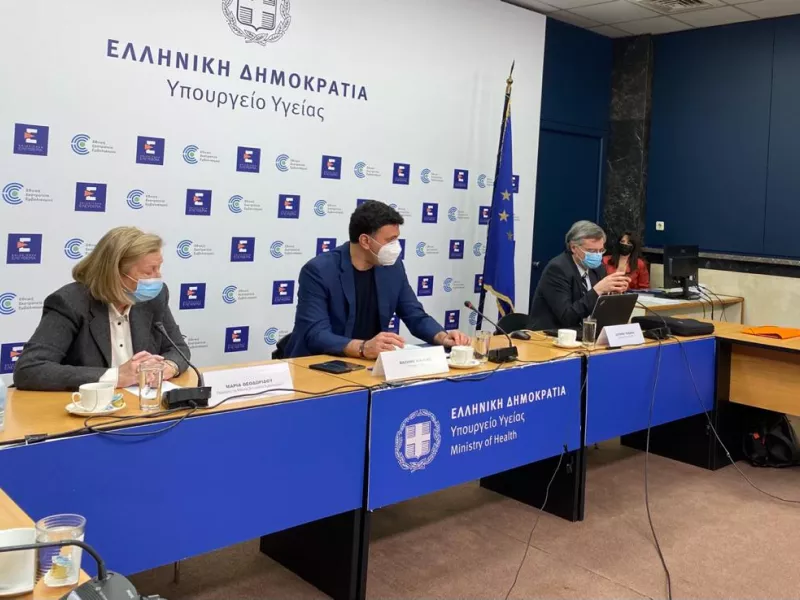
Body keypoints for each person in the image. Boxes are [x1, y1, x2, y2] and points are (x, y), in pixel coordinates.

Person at [284, 200, 470, 358]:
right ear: (365, 241)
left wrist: (442, 337)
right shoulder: (318, 271)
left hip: (366, 364)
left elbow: (414, 314)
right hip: (317, 364)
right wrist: (363, 348)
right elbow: (315, 334)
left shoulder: (392, 267)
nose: (396, 247)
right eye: (390, 240)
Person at [13, 227, 190, 391]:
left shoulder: (154, 298)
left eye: (158, 269)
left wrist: (167, 367)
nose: (157, 277)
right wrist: (116, 377)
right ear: (115, 273)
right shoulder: (70, 302)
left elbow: (179, 348)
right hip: (85, 406)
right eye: (149, 272)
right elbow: (29, 369)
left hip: (139, 404)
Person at [529, 220, 629, 330]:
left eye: (600, 250)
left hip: (586, 333)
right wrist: (597, 290)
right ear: (573, 248)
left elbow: (599, 309)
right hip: (551, 335)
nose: (597, 255)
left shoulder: (598, 269)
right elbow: (567, 317)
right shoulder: (557, 269)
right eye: (591, 251)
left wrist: (613, 294)